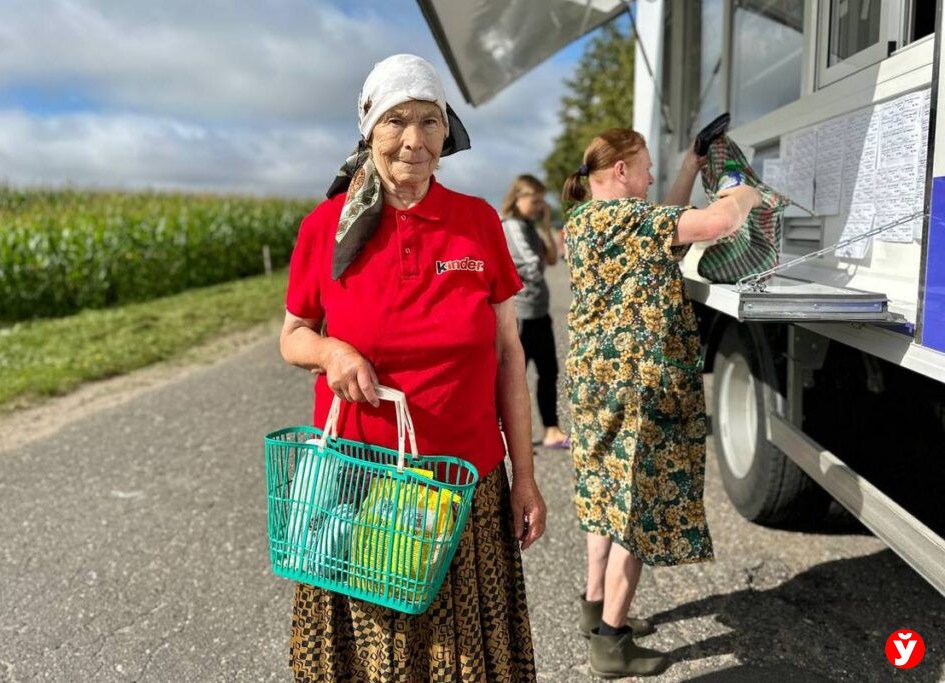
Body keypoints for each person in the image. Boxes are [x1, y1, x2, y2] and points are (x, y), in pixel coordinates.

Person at [279, 54, 546, 682]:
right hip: (358, 485)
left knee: (466, 660)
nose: (414, 140)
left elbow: (509, 353)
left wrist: (525, 478)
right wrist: (332, 351)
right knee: (378, 656)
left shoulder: (478, 222)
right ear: (368, 128)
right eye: (397, 120)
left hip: (462, 485)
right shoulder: (326, 228)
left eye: (430, 121)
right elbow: (293, 336)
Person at [561, 128, 760, 678]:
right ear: (620, 171)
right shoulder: (634, 221)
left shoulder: (583, 223)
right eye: (646, 167)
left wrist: (692, 165)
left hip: (596, 383)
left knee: (605, 495)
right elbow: (720, 223)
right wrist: (747, 190)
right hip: (640, 387)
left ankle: (594, 605)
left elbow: (662, 219)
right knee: (637, 507)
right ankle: (612, 642)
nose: (651, 177)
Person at [500, 175, 569, 450]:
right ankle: (501, 434)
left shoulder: (529, 226)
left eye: (542, 200)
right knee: (513, 377)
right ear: (518, 198)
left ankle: (551, 430)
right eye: (535, 200)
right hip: (519, 315)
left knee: (549, 371)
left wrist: (543, 225)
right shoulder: (512, 225)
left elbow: (551, 258)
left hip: (539, 312)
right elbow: (532, 266)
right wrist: (536, 262)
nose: (539, 205)